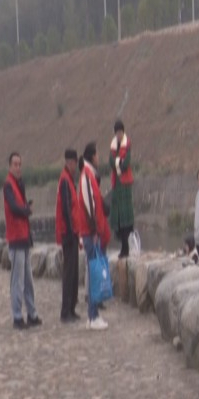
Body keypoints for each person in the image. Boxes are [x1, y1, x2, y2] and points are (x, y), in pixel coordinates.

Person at [4, 152, 39, 330]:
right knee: (17, 280)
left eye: (20, 164)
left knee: (28, 279)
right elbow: (14, 207)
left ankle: (32, 313)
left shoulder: (19, 184)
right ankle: (17, 316)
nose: (18, 167)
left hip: (24, 237)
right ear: (10, 166)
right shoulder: (8, 185)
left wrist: (25, 209)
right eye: (15, 164)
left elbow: (21, 207)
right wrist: (27, 209)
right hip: (16, 238)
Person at [79, 141, 112, 330]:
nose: (99, 158)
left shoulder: (87, 175)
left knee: (93, 272)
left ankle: (93, 314)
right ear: (92, 156)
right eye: (97, 155)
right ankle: (93, 316)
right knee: (94, 274)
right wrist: (95, 230)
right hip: (91, 232)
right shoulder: (87, 176)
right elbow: (90, 206)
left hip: (91, 232)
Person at [56, 149, 86, 324]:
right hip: (69, 233)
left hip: (73, 232)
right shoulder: (65, 181)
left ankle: (71, 308)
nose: (75, 166)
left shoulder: (68, 179)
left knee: (73, 272)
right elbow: (67, 209)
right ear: (70, 162)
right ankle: (65, 310)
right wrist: (71, 231)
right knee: (69, 273)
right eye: (74, 163)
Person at [108, 120, 135, 259]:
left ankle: (126, 248)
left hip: (124, 184)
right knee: (118, 219)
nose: (118, 135)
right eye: (117, 132)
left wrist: (117, 164)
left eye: (120, 132)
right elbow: (111, 162)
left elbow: (126, 163)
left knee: (125, 220)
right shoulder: (113, 146)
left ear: (123, 132)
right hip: (116, 184)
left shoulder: (127, 144)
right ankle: (123, 246)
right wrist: (119, 163)